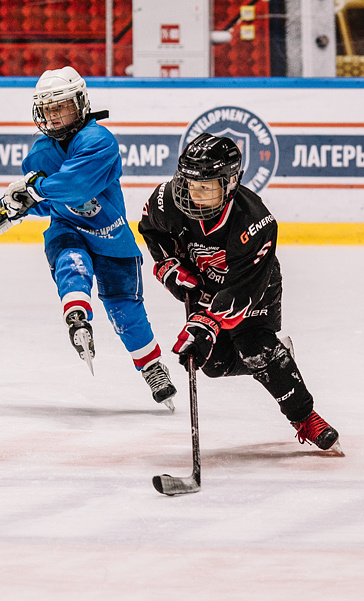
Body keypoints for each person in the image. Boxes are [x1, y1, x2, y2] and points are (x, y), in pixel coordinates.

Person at [0, 65, 177, 411]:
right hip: (68, 229)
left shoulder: (99, 142)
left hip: (111, 235)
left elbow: (73, 186)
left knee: (126, 312)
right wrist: (11, 209)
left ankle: (152, 367)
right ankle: (77, 315)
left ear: (80, 104)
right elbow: (49, 201)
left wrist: (31, 190)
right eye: (48, 109)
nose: (54, 117)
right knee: (71, 263)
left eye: (61, 107)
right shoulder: (40, 153)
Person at [137, 133, 341, 451]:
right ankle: (275, 355)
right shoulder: (168, 201)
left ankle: (305, 417)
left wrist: (207, 324)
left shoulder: (256, 222)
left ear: (230, 183)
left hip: (255, 286)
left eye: (206, 186)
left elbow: (244, 291)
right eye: (190, 184)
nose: (194, 194)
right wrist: (170, 266)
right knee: (212, 364)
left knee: (255, 345)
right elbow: (151, 229)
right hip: (206, 285)